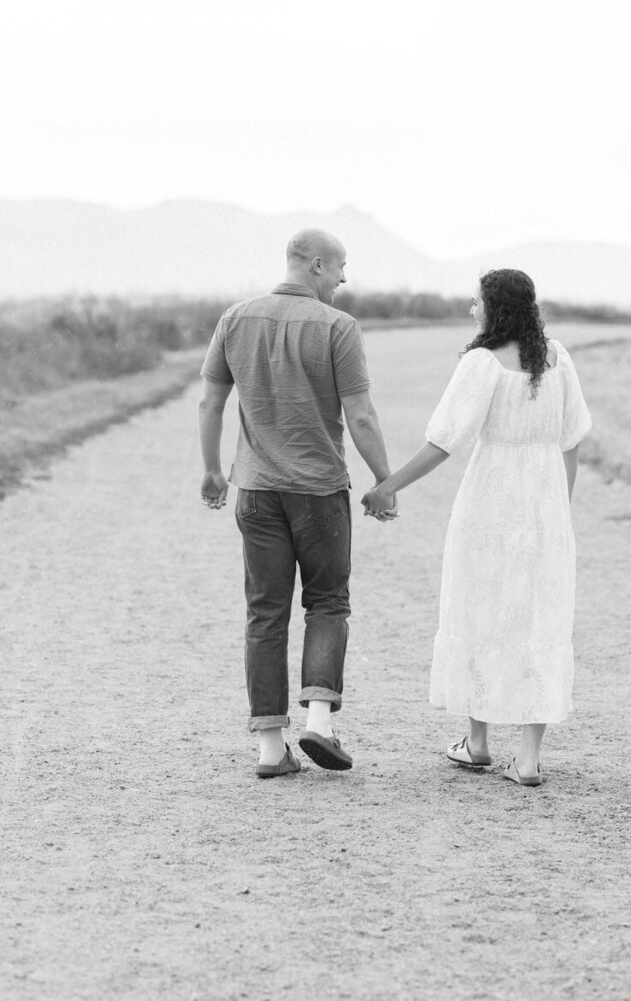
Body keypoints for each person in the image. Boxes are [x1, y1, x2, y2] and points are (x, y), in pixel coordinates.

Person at [362, 268, 591, 787]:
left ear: (495, 308)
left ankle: (478, 742)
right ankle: (528, 759)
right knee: (540, 617)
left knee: (480, 604)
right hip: (545, 504)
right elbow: (572, 441)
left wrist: (388, 486)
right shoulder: (558, 359)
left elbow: (445, 441)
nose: (472, 310)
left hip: (491, 502)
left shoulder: (482, 363)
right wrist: (559, 509)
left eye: (476, 302)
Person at [199, 229, 395, 778]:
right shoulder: (338, 327)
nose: (344, 277)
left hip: (257, 490)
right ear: (315, 265)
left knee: (265, 612)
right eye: (340, 266)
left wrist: (212, 470)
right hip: (319, 492)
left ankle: (270, 749)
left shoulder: (234, 320)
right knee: (327, 603)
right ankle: (319, 725)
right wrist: (385, 479)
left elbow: (210, 402)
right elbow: (361, 415)